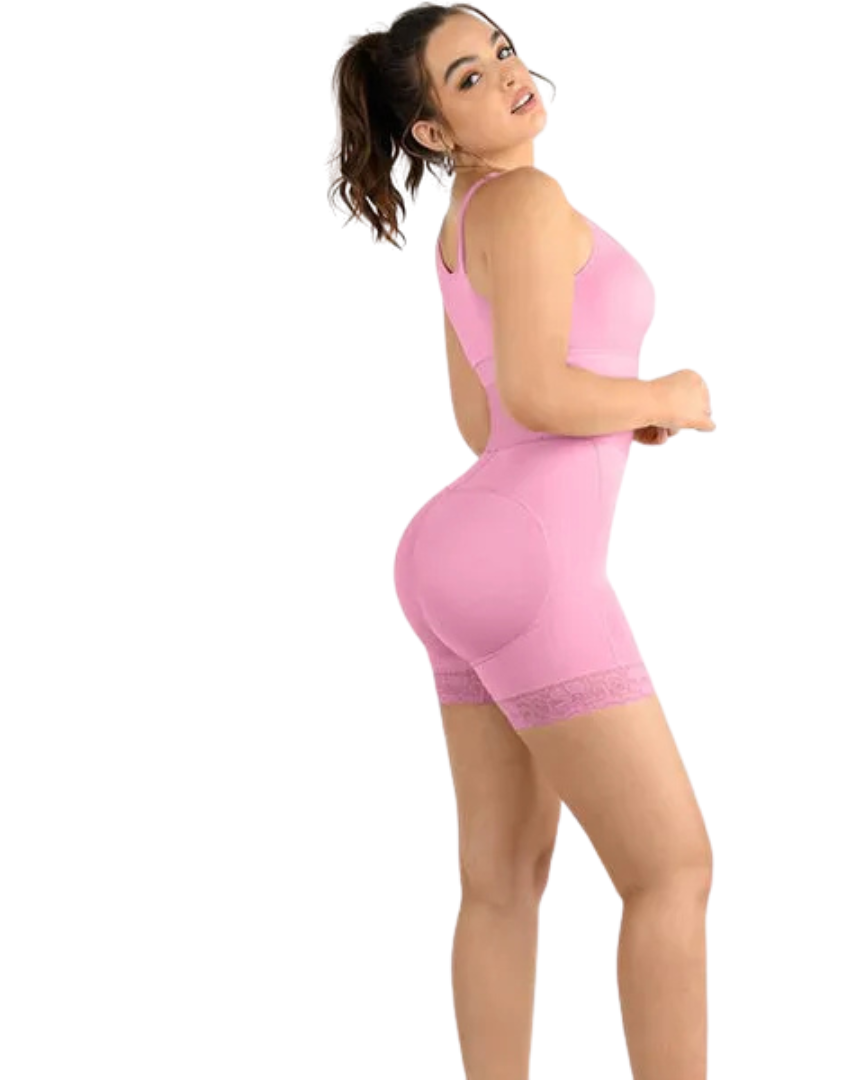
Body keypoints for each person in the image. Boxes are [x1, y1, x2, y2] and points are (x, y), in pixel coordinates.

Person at [330, 5, 715, 1077]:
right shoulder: (531, 200)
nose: (505, 73)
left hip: (454, 554)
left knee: (500, 880)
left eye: (500, 50)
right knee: (672, 870)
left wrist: (615, 411)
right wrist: (665, 395)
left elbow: (485, 419)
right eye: (466, 77)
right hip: (531, 562)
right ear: (433, 132)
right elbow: (540, 396)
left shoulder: (463, 226)